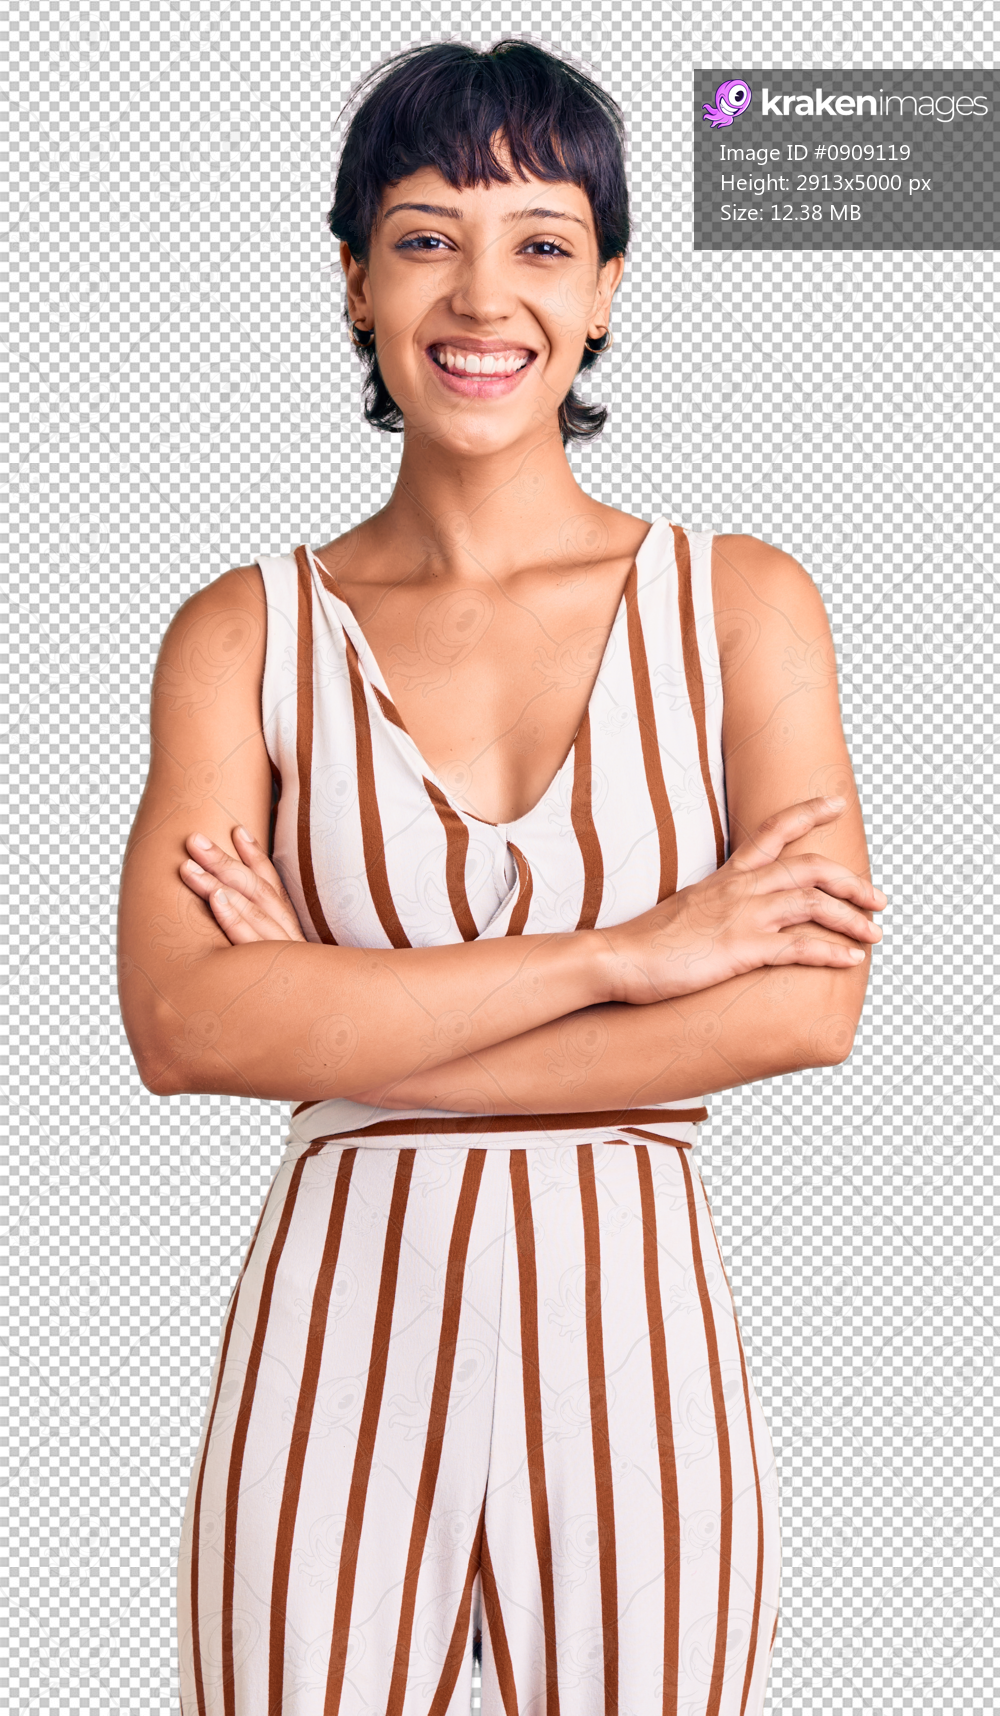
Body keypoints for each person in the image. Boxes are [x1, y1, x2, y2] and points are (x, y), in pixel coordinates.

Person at [117, 38, 886, 1716]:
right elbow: (182, 1026)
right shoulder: (243, 635)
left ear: (608, 287)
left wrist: (328, 1016)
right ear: (352, 282)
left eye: (543, 241)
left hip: (640, 1345)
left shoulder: (744, 603)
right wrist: (642, 950)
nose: (485, 295)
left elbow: (813, 1007)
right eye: (422, 235)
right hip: (334, 1342)